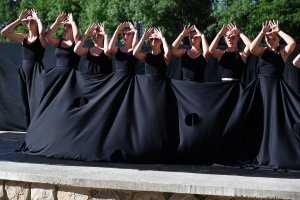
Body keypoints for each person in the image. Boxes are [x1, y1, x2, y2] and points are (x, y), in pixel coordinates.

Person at [249, 20, 300, 169]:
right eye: (268, 38)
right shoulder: (262, 51)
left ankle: (276, 151)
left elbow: (292, 43)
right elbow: (252, 48)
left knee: (275, 118)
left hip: (276, 88)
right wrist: (262, 32)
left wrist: (279, 31)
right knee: (261, 118)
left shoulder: (282, 53)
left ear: (278, 39)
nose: (270, 40)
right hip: (262, 88)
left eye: (274, 38)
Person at [1, 9, 46, 129]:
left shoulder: (41, 38)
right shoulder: (23, 38)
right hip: (24, 71)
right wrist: (19, 20)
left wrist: (37, 18)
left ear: (36, 23)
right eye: (28, 22)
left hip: (36, 71)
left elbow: (42, 32)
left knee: (36, 103)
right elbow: (4, 32)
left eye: (32, 22)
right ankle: (29, 135)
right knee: (26, 105)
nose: (29, 24)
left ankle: (39, 132)